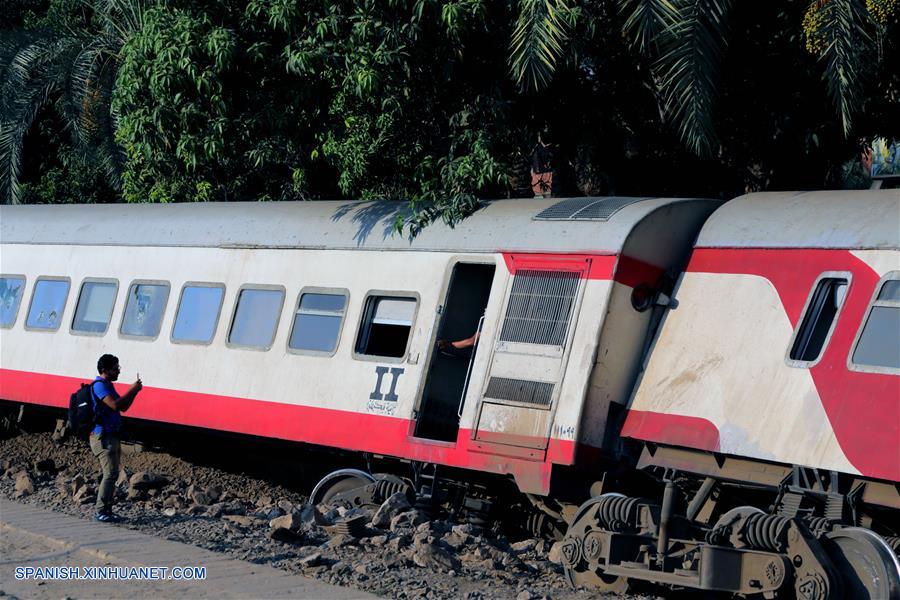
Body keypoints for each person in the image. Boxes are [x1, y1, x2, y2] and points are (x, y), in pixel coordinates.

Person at [90, 354, 142, 522]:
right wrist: (131, 390)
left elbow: (123, 407)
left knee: (112, 474)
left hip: (111, 435)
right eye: (115, 368)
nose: (118, 371)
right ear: (105, 370)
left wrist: (134, 393)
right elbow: (115, 405)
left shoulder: (108, 385)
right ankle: (101, 511)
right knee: (110, 473)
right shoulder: (100, 386)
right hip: (102, 436)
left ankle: (107, 510)